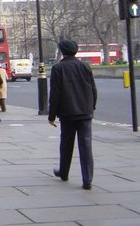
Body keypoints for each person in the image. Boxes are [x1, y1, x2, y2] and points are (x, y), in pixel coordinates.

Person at [48, 39, 97, 190]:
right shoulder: (85, 66)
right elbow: (93, 89)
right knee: (86, 145)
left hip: (68, 113)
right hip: (85, 112)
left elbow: (55, 94)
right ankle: (87, 180)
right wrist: (91, 106)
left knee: (66, 144)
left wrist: (52, 115)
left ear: (62, 51)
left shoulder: (58, 68)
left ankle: (64, 172)